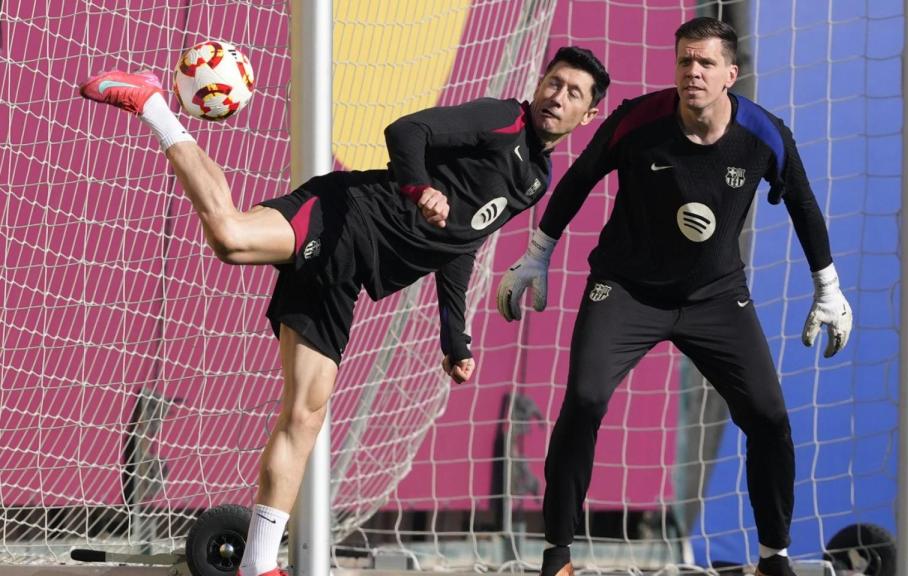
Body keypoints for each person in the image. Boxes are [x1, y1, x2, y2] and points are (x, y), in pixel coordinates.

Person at [79, 46, 610, 576]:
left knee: (305, 414)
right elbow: (407, 131)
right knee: (232, 238)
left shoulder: (537, 178)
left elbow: (461, 245)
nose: (556, 97)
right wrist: (420, 187)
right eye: (553, 83)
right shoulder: (501, 118)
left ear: (587, 116)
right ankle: (154, 104)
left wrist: (456, 341)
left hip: (348, 276)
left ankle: (260, 566)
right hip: (346, 215)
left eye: (572, 93)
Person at [496, 18, 851, 576]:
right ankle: (557, 556)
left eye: (707, 63)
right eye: (685, 61)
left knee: (769, 416)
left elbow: (804, 207)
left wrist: (828, 289)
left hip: (715, 297)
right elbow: (579, 178)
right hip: (626, 290)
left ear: (730, 74)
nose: (693, 72)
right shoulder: (639, 119)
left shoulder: (764, 134)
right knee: (585, 400)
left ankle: (772, 558)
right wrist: (537, 254)